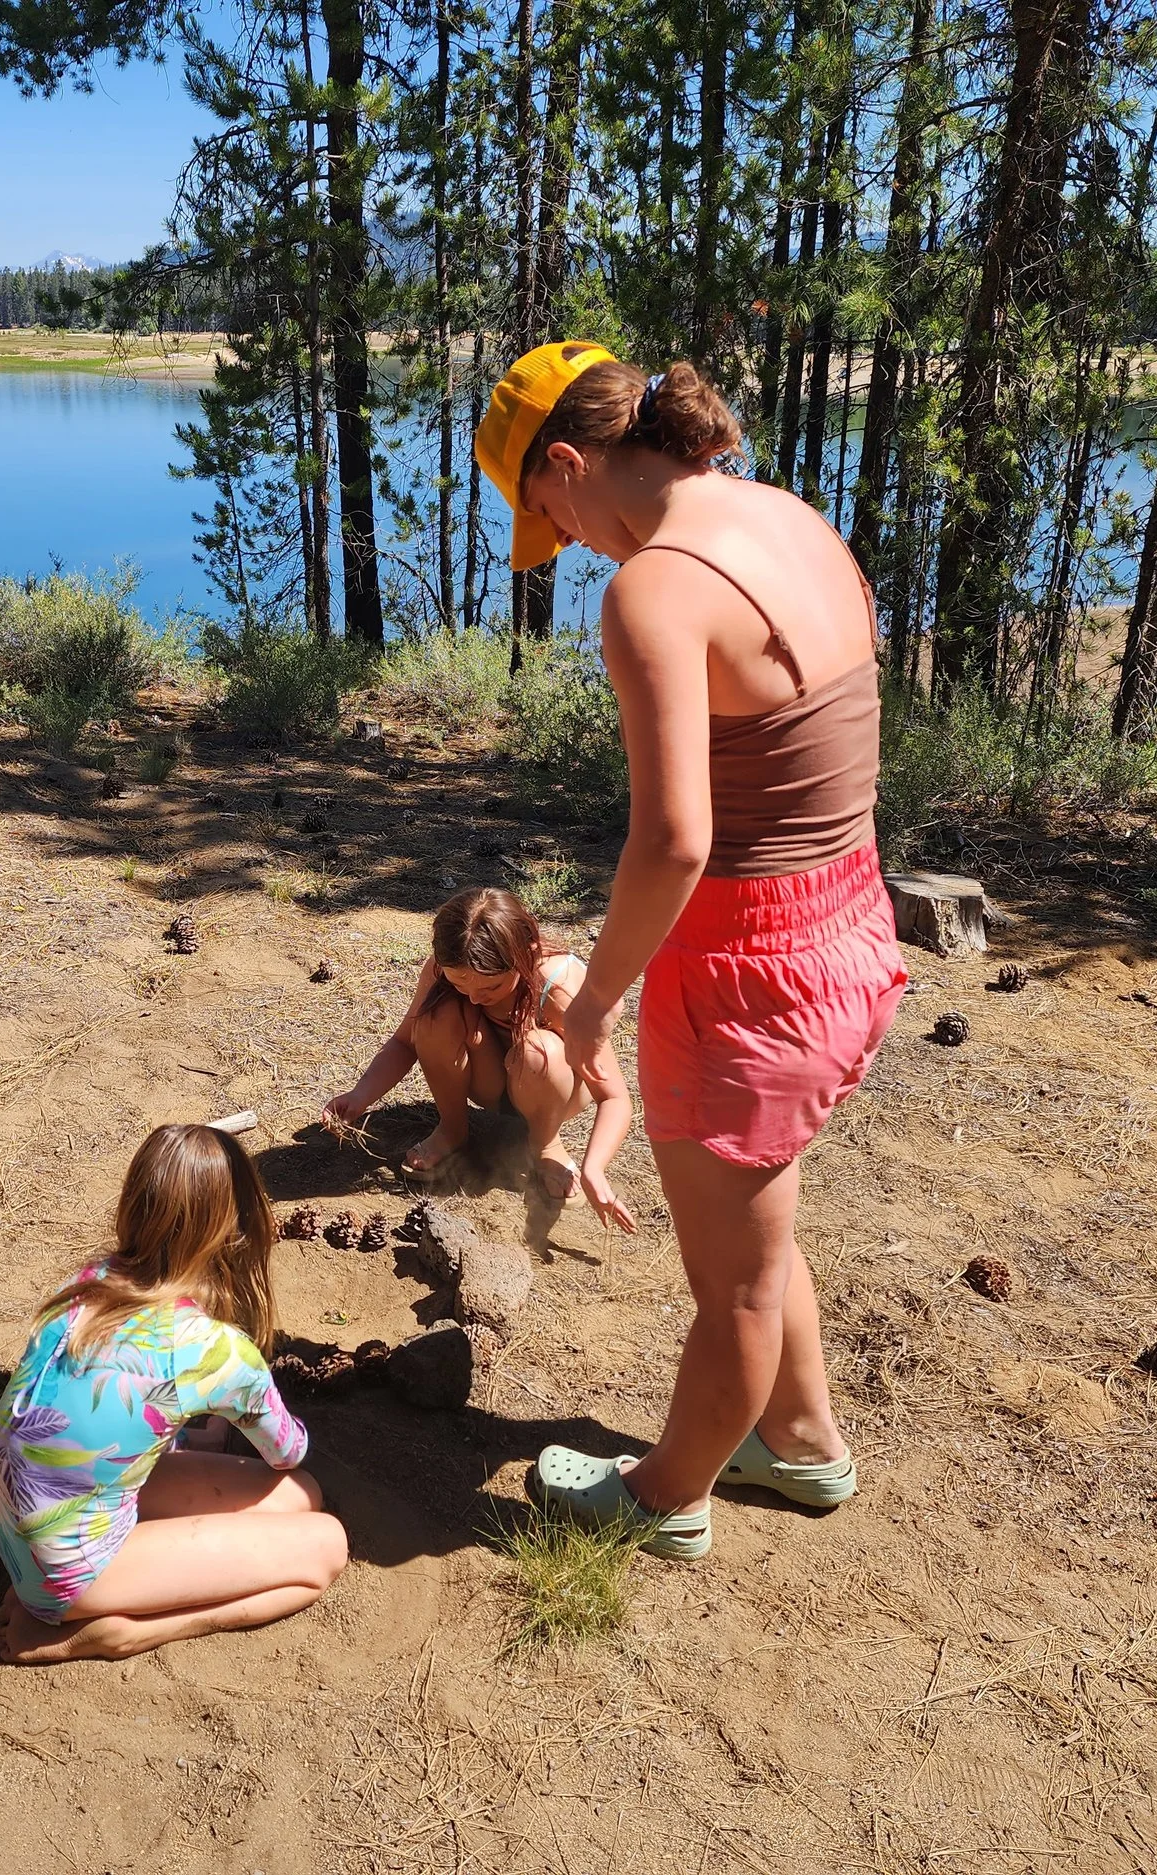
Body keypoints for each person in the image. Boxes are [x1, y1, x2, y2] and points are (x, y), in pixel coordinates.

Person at [475, 343, 906, 1559]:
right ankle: (802, 1441)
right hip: (845, 927)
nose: (574, 549)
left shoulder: (655, 588)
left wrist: (595, 1000)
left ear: (568, 462)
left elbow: (672, 839)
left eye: (553, 518)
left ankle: (665, 1498)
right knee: (754, 1230)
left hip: (745, 969)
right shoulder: (789, 519)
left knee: (734, 1286)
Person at [0, 1124, 347, 1663]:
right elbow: (286, 1451)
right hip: (69, 1566)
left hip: (19, 1524)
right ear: (234, 1228)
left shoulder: (87, 1280)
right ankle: (122, 1630)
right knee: (326, 1545)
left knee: (303, 1495)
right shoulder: (216, 1351)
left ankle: (61, 1589)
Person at [322, 885, 637, 1229]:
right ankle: (453, 1129)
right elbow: (405, 1042)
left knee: (540, 1052)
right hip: (491, 1081)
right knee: (433, 1018)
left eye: (489, 988)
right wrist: (360, 1095)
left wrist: (594, 1167)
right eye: (461, 984)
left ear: (524, 954)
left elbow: (615, 1096)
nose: (473, 997)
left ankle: (545, 1144)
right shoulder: (444, 967)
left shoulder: (558, 986)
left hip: (553, 1087)